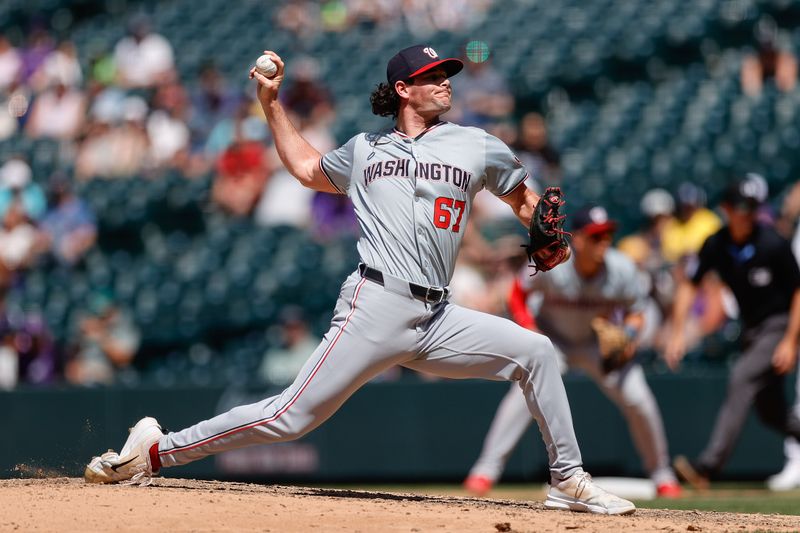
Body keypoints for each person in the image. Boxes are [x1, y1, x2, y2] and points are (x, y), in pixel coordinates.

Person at [82, 45, 635, 515]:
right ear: (402, 89)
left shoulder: (476, 144)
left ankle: (569, 481)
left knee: (537, 353)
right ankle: (154, 452)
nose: (445, 82)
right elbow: (305, 168)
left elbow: (526, 203)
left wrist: (545, 230)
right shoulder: (366, 150)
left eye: (447, 75)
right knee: (288, 417)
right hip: (375, 303)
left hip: (438, 315)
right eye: (432, 76)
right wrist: (271, 105)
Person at [463, 205, 682, 499]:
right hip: (554, 341)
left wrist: (629, 334)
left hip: (595, 343)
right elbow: (517, 291)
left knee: (638, 398)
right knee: (521, 398)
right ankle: (485, 471)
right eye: (596, 236)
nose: (604, 241)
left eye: (607, 235)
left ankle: (662, 474)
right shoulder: (554, 262)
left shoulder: (621, 268)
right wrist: (530, 329)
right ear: (577, 239)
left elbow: (637, 310)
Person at [666, 176, 800, 490]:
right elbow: (689, 284)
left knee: (741, 377)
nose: (748, 213)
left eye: (753, 207)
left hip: (779, 326)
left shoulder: (773, 243)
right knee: (772, 413)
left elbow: (798, 292)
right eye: (741, 206)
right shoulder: (716, 243)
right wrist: (676, 333)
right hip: (752, 330)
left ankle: (707, 467)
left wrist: (790, 341)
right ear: (726, 208)